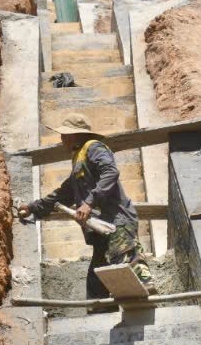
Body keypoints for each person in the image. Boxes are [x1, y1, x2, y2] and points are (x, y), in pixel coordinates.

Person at [18, 113, 153, 299]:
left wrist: (89, 202)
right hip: (100, 230)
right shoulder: (79, 161)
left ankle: (144, 297)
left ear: (75, 135)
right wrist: (33, 207)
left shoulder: (94, 148)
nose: (61, 139)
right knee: (97, 281)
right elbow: (63, 194)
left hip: (117, 223)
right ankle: (100, 311)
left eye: (64, 135)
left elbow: (111, 172)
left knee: (129, 265)